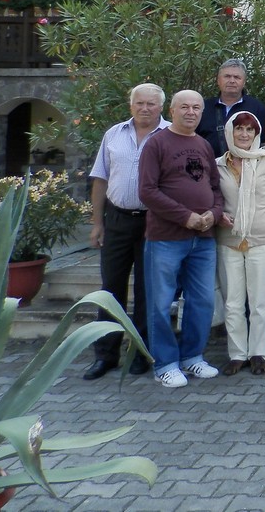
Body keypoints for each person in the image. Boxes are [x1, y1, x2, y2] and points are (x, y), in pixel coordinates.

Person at [83, 82, 169, 380]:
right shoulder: (113, 134)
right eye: (139, 103)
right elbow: (100, 179)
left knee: (148, 290)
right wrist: (97, 223)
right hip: (117, 220)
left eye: (151, 104)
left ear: (161, 107)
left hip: (154, 222)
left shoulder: (170, 135)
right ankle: (106, 355)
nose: (145, 108)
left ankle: (140, 353)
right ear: (130, 105)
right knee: (111, 288)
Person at [138, 90, 224, 388]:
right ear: (171, 111)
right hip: (166, 237)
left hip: (203, 238)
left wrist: (213, 213)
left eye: (196, 107)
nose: (191, 112)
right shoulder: (156, 144)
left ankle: (192, 357)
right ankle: (165, 364)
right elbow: (148, 191)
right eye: (184, 106)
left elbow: (214, 188)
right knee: (160, 303)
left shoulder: (202, 145)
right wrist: (185, 216)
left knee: (202, 301)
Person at [215, 112, 265, 376]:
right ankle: (237, 354)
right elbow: (213, 200)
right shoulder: (218, 164)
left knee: (260, 301)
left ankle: (258, 352)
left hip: (262, 238)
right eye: (239, 129)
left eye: (250, 129)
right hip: (229, 240)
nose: (245, 134)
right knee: (233, 302)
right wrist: (217, 215)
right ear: (230, 131)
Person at [197, 60, 265, 157]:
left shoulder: (256, 108)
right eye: (227, 76)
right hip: (208, 167)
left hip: (245, 168)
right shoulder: (204, 107)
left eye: (237, 77)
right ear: (218, 80)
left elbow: (264, 141)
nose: (232, 81)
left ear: (244, 82)